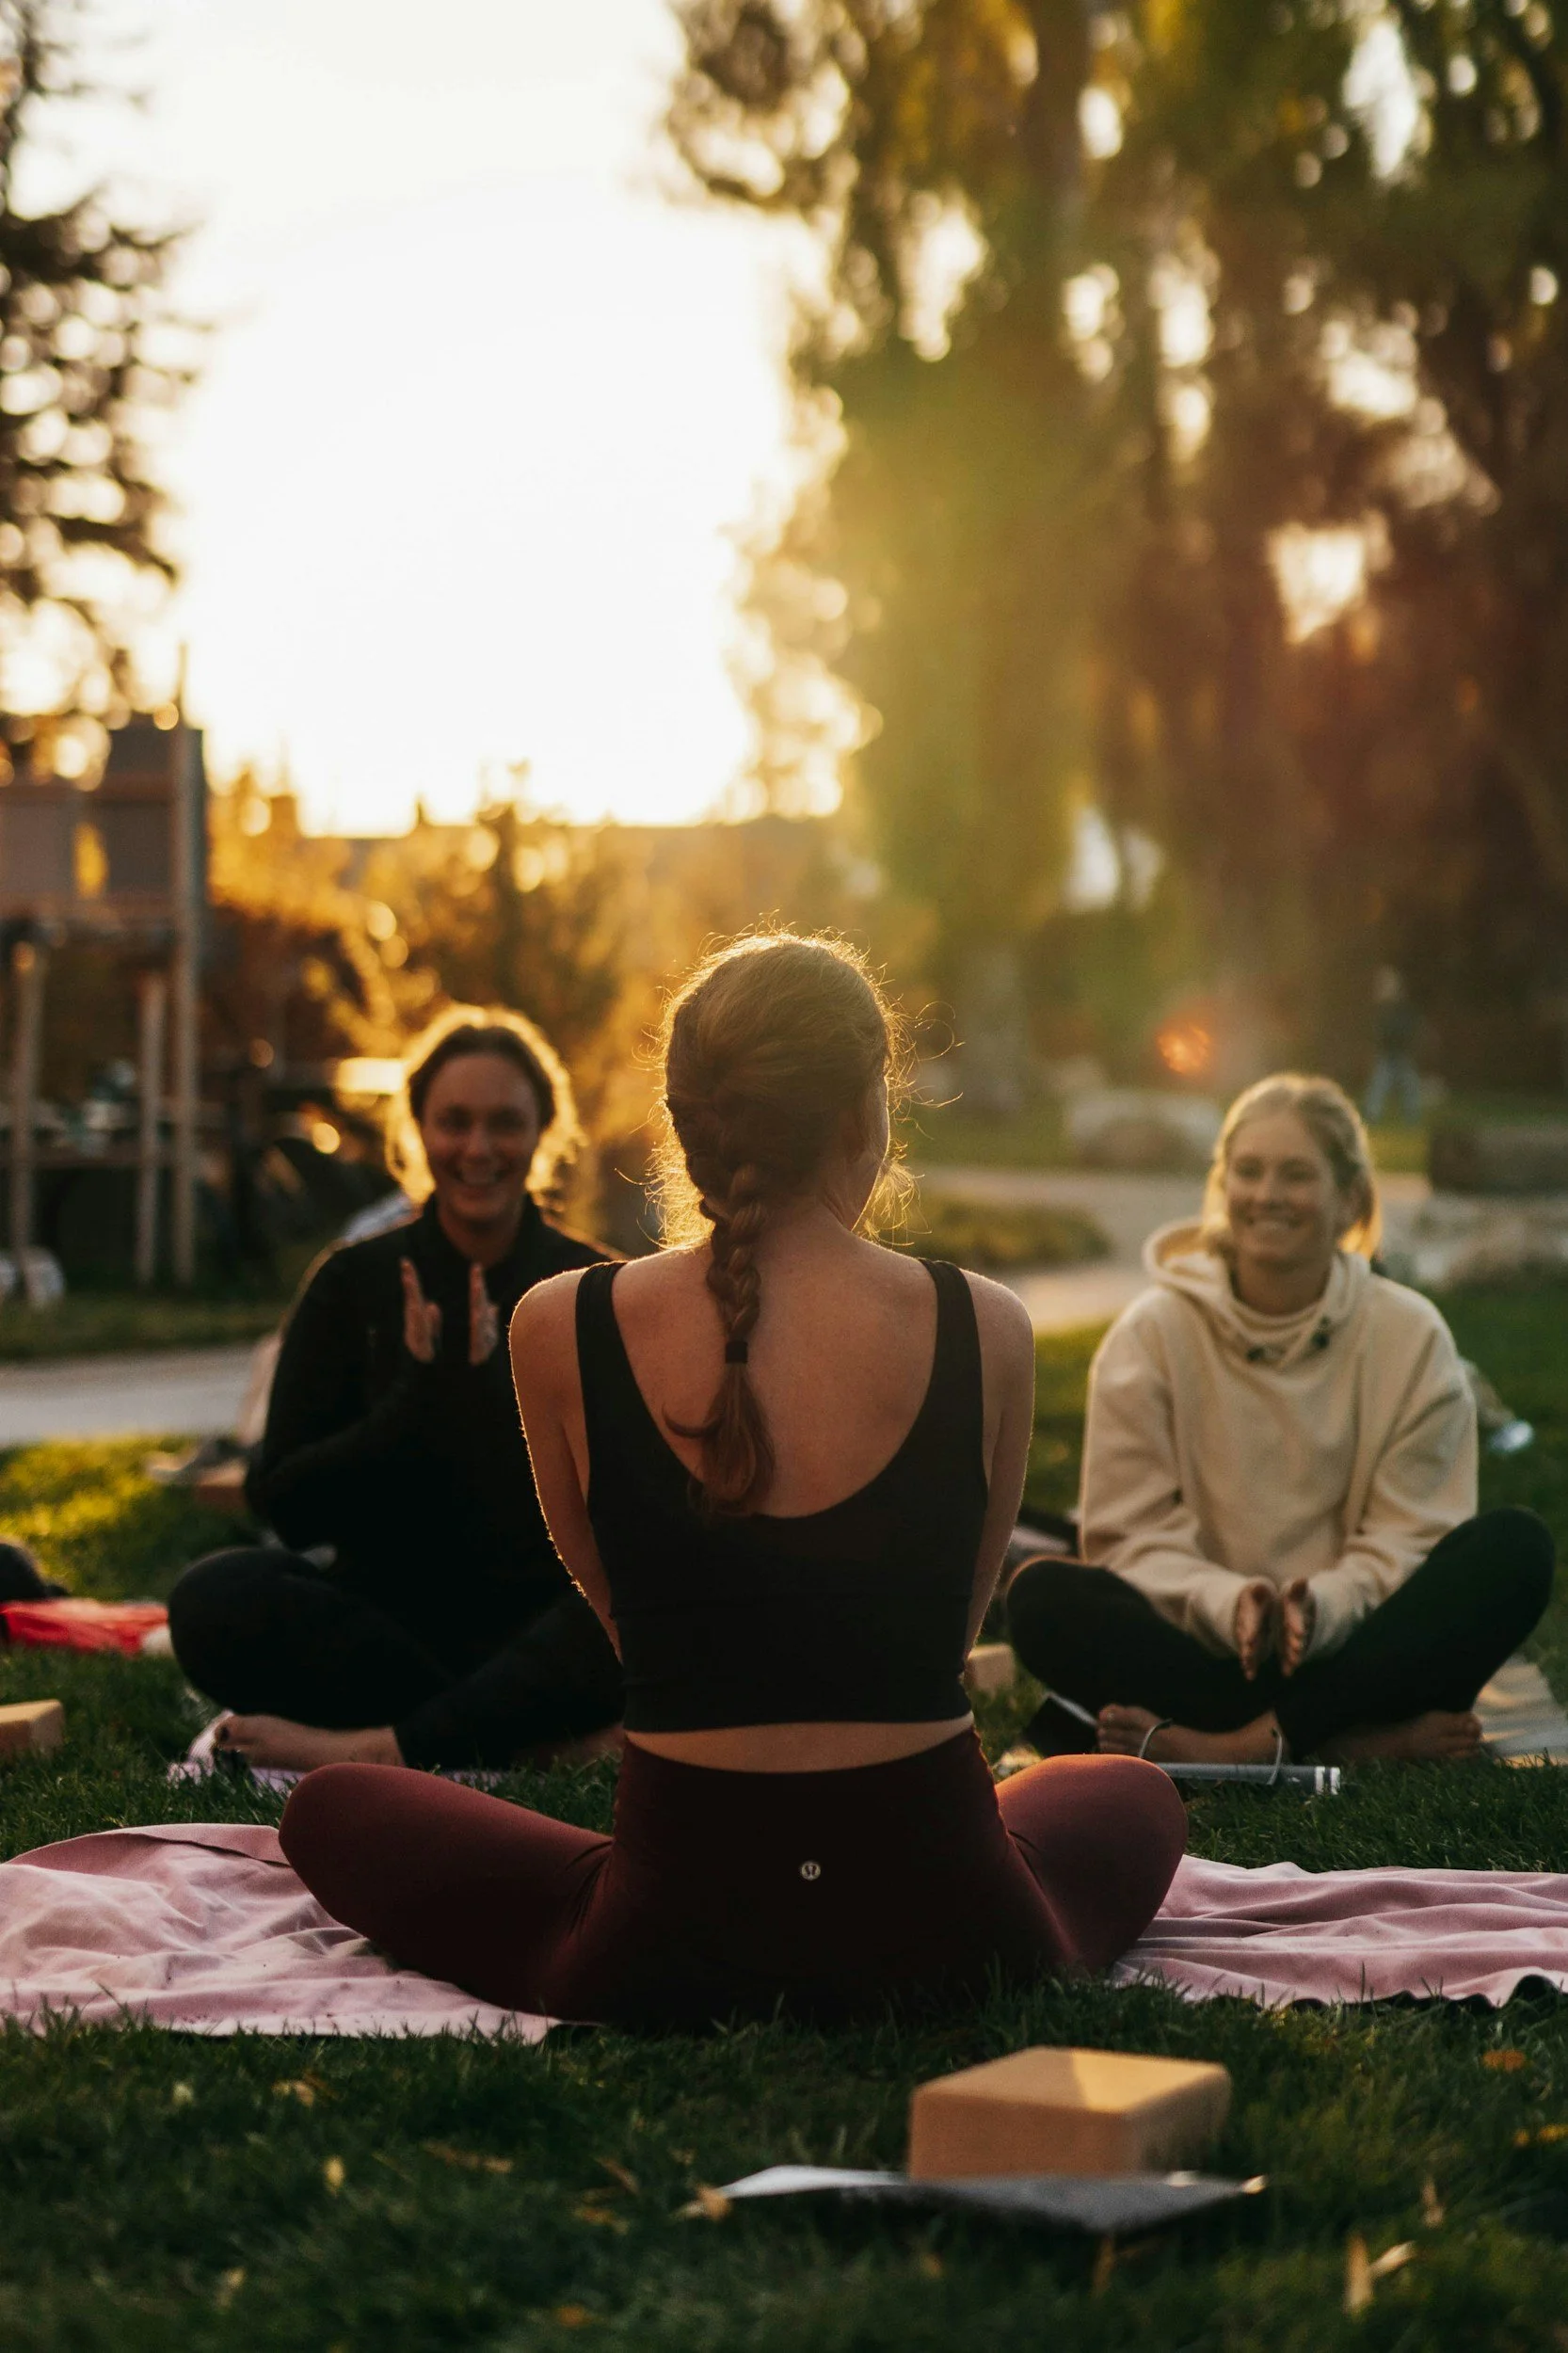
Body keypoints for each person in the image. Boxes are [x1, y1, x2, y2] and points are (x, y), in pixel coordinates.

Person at [277, 934, 1186, 2028]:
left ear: (685, 1119)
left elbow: (631, 1631)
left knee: (332, 1809)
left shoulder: (558, 1324)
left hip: (667, 1937)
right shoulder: (986, 1324)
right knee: (1126, 1788)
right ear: (863, 1116)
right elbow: (941, 1640)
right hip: (956, 1924)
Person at [1008, 1074, 1554, 1768]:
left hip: (1363, 1638)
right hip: (1203, 1644)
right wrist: (1228, 1603)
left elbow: (1414, 1532)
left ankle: (1244, 1744)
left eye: (1296, 1174)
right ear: (1222, 1186)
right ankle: (1348, 1740)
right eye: (1249, 1171)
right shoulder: (1149, 1335)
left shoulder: (1410, 1336)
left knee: (1515, 1549)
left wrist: (1322, 1607)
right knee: (1043, 1599)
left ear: (1349, 1199)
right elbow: (1130, 1532)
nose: (1267, 1195)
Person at [167, 1006, 622, 1772]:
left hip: (537, 1622)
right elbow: (283, 1499)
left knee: (643, 1608)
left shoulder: (595, 1290)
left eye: (504, 1123)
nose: (478, 1148)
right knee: (212, 1598)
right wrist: (415, 1403)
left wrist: (490, 1399)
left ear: (543, 1132)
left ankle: (392, 1746)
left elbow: (624, 1521)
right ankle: (524, 1739)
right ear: (418, 1130)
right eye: (454, 1122)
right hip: (388, 1628)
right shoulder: (351, 1284)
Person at [1364, 968, 1423, 1126]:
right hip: (1387, 1053)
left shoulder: (1402, 1008)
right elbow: (1379, 1031)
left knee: (1410, 1085)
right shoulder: (1383, 1008)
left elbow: (1410, 1027)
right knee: (1379, 1084)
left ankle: (1412, 1115)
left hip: (1402, 1053)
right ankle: (1372, 1115)